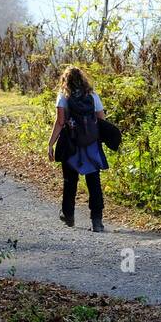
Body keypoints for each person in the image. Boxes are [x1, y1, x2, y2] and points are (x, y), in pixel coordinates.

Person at [47, 65, 108, 232]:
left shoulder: (63, 96)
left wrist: (51, 143)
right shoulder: (92, 95)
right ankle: (97, 221)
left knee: (70, 181)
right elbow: (101, 118)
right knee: (94, 182)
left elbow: (60, 122)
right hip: (91, 146)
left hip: (71, 144)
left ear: (65, 80)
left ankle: (69, 216)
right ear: (83, 79)